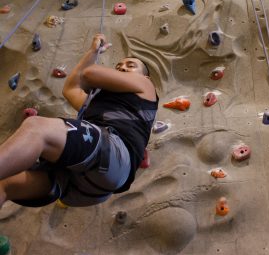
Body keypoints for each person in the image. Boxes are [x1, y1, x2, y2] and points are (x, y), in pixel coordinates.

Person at [0, 34, 158, 209]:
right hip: (84, 184)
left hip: (115, 154)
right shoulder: (98, 102)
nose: (122, 68)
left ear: (146, 77)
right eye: (118, 65)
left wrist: (92, 65)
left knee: (36, 128)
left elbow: (88, 74)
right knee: (4, 185)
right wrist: (92, 52)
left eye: (131, 65)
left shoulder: (146, 86)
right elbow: (70, 89)